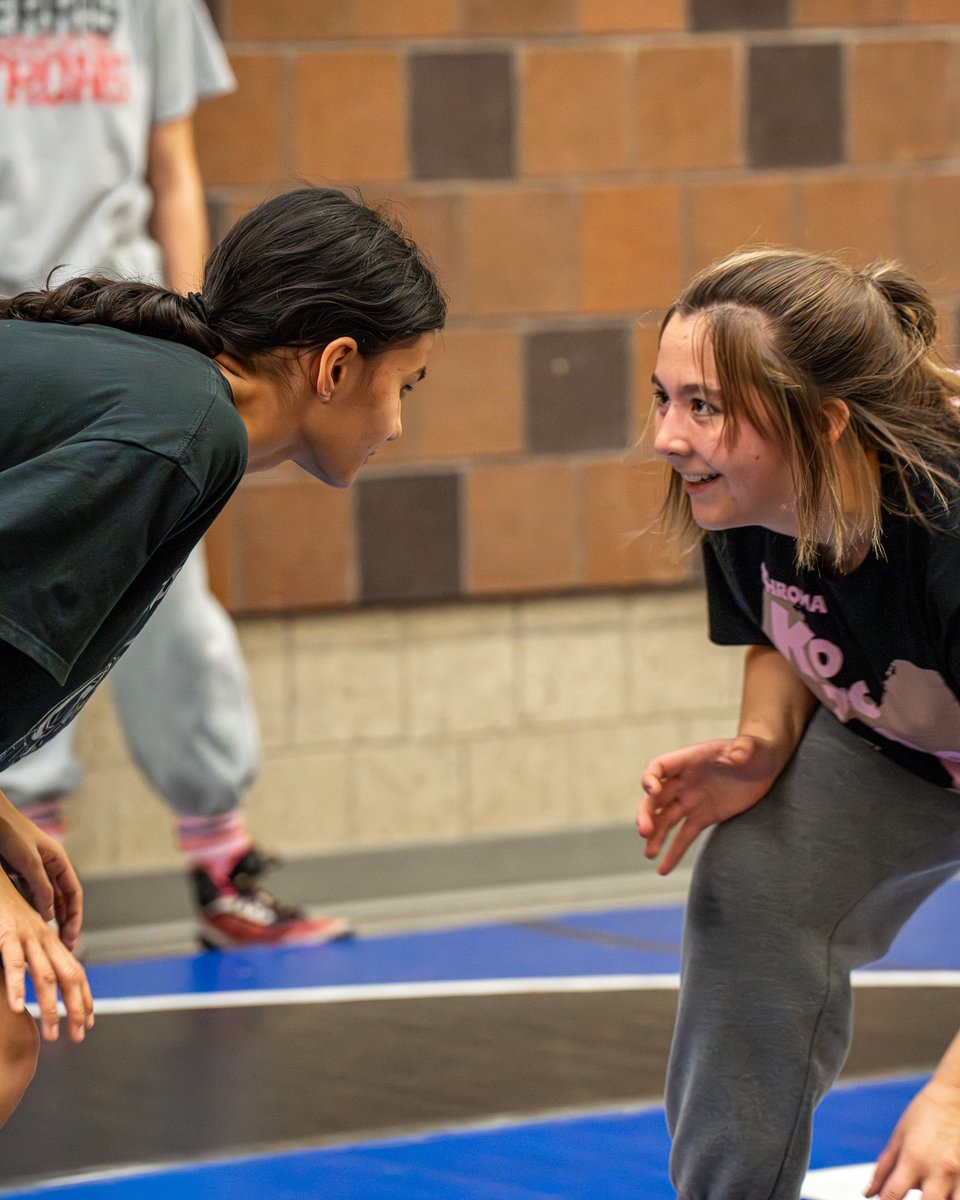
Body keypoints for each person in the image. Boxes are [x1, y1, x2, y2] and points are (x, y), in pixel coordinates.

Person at [0, 183, 446, 1124]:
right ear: (334, 365)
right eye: (401, 387)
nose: (397, 426)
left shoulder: (172, 397)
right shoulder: (181, 431)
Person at [0, 0, 347, 949]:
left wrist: (198, 333)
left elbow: (171, 162)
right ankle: (21, 874)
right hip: (23, 343)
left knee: (164, 603)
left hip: (123, 325)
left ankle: (222, 862)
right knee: (23, 596)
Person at [635, 246, 960, 1200]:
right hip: (911, 753)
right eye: (663, 397)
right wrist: (763, 744)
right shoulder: (740, 497)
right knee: (756, 886)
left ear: (825, 423)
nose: (667, 436)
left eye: (704, 407)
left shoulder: (949, 533)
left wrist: (953, 1093)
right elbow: (781, 624)